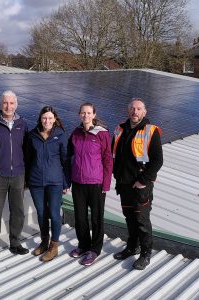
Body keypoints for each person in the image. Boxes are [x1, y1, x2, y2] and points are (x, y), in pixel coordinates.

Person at [112, 98, 163, 270]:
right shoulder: (120, 128)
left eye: (139, 109)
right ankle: (132, 247)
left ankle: (146, 253)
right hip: (124, 183)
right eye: (132, 108)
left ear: (144, 112)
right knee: (129, 218)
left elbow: (157, 161)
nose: (135, 112)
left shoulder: (151, 131)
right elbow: (115, 154)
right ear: (128, 110)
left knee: (141, 220)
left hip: (141, 185)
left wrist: (143, 180)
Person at [0, 90, 29, 258]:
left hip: (18, 175)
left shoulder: (23, 125)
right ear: (0, 104)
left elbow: (27, 150)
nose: (8, 106)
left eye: (11, 103)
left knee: (17, 212)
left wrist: (25, 172)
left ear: (16, 104)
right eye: (5, 103)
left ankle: (15, 243)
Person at [67, 102, 113, 266]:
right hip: (78, 182)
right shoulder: (76, 133)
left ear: (94, 115)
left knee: (96, 218)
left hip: (96, 183)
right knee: (80, 218)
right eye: (83, 113)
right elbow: (69, 157)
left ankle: (95, 249)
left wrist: (106, 184)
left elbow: (108, 159)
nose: (85, 115)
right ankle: (83, 246)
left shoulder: (102, 134)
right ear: (79, 114)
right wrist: (68, 180)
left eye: (88, 113)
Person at [26, 106, 70, 262]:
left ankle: (54, 246)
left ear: (55, 119)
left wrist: (66, 182)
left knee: (53, 213)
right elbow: (28, 159)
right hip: (36, 181)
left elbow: (66, 161)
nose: (47, 121)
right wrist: (27, 180)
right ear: (40, 118)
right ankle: (44, 242)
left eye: (50, 118)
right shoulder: (32, 135)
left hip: (55, 182)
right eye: (44, 118)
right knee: (41, 213)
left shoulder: (61, 136)